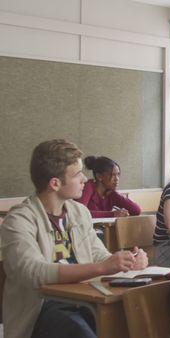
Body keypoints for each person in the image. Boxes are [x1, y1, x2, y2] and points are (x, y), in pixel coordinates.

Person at [0, 139, 148, 338]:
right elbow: (33, 272)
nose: (85, 180)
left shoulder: (79, 212)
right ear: (55, 183)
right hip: (43, 309)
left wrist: (127, 262)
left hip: (86, 300)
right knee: (78, 329)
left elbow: (99, 256)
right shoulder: (18, 220)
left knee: (136, 318)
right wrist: (103, 268)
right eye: (78, 174)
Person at [76, 155, 141, 218]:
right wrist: (112, 214)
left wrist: (115, 194)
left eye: (118, 174)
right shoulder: (88, 186)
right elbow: (80, 213)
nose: (117, 179)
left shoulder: (111, 193)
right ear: (99, 176)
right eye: (113, 175)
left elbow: (136, 210)